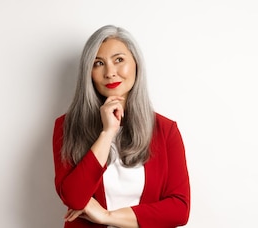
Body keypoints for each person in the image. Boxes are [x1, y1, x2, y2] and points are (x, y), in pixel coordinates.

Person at [52, 25, 190, 228]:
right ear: (88, 72)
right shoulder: (67, 126)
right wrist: (107, 133)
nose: (110, 72)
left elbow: (179, 209)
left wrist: (106, 216)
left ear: (136, 63)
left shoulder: (165, 130)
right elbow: (74, 198)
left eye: (119, 60)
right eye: (98, 63)